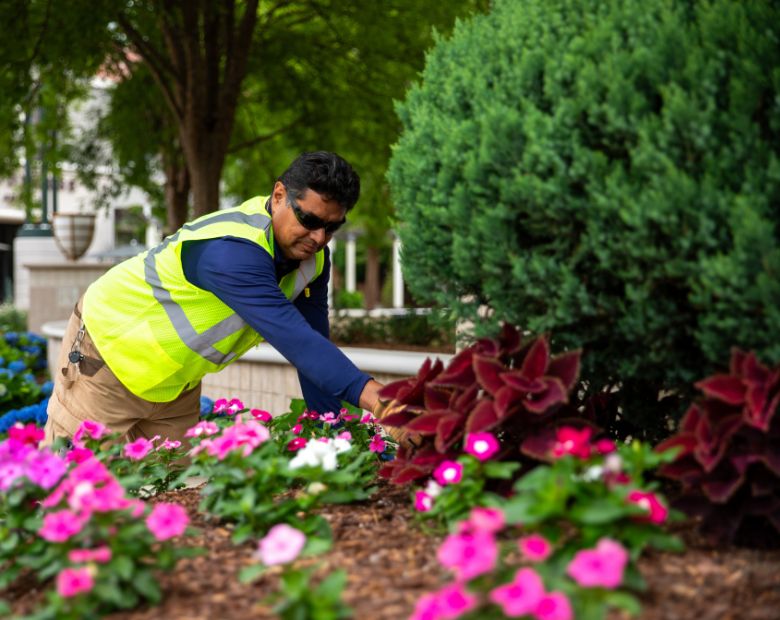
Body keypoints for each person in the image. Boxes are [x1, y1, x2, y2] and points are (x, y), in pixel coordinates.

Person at [42, 151, 384, 446]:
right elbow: (295, 339)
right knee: (67, 495)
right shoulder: (232, 253)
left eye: (331, 227)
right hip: (104, 360)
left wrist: (336, 434)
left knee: (180, 500)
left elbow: (313, 348)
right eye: (309, 220)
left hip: (174, 384)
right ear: (279, 195)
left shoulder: (312, 261)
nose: (319, 237)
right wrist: (383, 403)